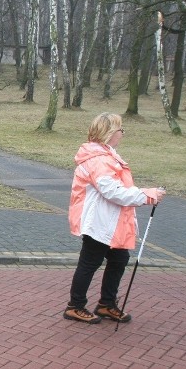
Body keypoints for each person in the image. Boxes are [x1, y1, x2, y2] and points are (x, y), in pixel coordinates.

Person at [64, 112, 164, 324]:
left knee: (119, 259)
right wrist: (147, 195)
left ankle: (106, 304)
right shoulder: (99, 160)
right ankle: (75, 306)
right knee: (90, 261)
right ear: (109, 132)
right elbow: (113, 191)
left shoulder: (106, 155)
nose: (122, 133)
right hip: (99, 222)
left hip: (112, 221)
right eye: (120, 129)